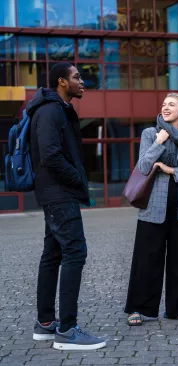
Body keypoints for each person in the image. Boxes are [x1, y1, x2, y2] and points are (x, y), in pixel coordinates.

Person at [28, 62, 106, 351]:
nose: (82, 81)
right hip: (59, 194)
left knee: (53, 253)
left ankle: (46, 323)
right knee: (75, 252)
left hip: (55, 193)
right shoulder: (50, 111)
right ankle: (68, 330)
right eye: (77, 77)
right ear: (62, 82)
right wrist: (77, 180)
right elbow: (50, 155)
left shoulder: (53, 109)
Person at [125, 93, 178, 326]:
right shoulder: (151, 134)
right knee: (147, 259)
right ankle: (141, 309)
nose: (165, 107)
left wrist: (173, 171)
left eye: (171, 104)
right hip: (154, 205)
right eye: (163, 104)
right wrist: (159, 142)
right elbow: (143, 166)